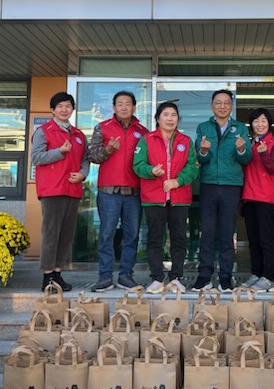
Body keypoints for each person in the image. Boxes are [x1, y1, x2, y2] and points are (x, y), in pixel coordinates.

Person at [133, 101, 199, 293]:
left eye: (173, 115)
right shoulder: (146, 139)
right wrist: (151, 171)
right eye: (166, 115)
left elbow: (193, 166)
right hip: (154, 196)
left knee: (179, 238)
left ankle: (176, 278)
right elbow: (138, 165)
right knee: (155, 239)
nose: (170, 119)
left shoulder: (186, 141)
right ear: (158, 118)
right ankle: (156, 278)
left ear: (178, 119)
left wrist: (178, 181)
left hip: (179, 197)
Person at [87, 91, 149, 292]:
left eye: (127, 103)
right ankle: (105, 276)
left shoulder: (143, 131)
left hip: (134, 192)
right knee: (107, 235)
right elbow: (92, 155)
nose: (124, 107)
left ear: (134, 107)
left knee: (132, 236)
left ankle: (125, 276)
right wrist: (107, 150)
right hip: (109, 192)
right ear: (113, 107)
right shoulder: (102, 127)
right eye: (120, 104)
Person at [191, 89, 253, 292]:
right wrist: (203, 151)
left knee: (227, 233)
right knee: (207, 232)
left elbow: (246, 159)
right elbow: (199, 158)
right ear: (212, 106)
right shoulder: (203, 127)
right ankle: (204, 275)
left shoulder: (240, 128)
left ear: (231, 106)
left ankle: (226, 276)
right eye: (218, 102)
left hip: (231, 185)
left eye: (226, 103)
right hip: (208, 184)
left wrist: (242, 149)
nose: (222, 106)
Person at [30, 91, 89, 292]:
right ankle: (47, 276)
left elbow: (85, 160)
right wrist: (59, 152)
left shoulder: (79, 135)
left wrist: (82, 174)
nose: (64, 110)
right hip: (52, 189)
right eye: (60, 106)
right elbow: (36, 157)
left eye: (68, 106)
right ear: (52, 110)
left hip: (72, 189)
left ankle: (57, 273)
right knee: (51, 234)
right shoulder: (44, 131)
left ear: (73, 109)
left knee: (66, 235)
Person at [241, 108, 274, 293]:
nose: (260, 124)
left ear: (269, 123)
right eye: (256, 121)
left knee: (267, 240)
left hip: (266, 197)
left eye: (263, 121)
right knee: (254, 240)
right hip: (249, 196)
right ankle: (256, 273)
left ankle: (268, 277)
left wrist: (264, 153)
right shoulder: (249, 144)